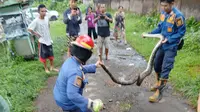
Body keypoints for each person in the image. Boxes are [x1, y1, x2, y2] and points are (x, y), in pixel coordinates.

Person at [146, 0, 186, 103]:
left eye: (166, 6)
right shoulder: (163, 13)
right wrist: (149, 34)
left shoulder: (178, 16)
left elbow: (181, 32)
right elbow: (160, 28)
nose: (164, 8)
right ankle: (158, 83)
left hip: (171, 47)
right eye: (162, 5)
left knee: (165, 68)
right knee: (157, 65)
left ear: (172, 3)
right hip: (161, 45)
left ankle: (159, 93)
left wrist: (169, 39)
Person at [53, 35, 104, 112]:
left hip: (60, 96)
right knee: (86, 110)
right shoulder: (75, 72)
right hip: (68, 102)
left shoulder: (70, 61)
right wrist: (91, 104)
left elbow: (80, 68)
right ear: (87, 54)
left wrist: (94, 66)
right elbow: (72, 95)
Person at [28, 4, 58, 74]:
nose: (44, 13)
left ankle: (52, 67)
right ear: (39, 12)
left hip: (49, 40)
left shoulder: (47, 18)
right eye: (42, 11)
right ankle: (46, 68)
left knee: (51, 55)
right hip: (42, 41)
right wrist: (36, 34)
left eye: (45, 11)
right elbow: (29, 29)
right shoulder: (36, 21)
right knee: (44, 56)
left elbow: (48, 25)